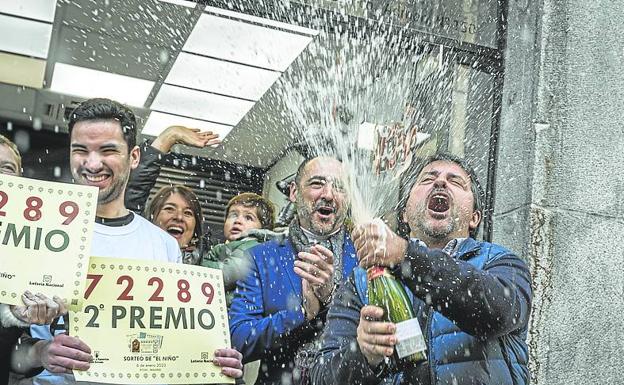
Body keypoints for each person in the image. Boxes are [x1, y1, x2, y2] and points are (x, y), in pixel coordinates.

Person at [9, 98, 243, 384]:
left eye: (108, 151)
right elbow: (10, 347)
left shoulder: (163, 245)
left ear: (133, 157)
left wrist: (211, 359)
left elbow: (173, 340)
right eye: (80, 150)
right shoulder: (37, 231)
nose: (92, 163)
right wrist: (41, 352)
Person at [309, 153, 532, 385]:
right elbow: (323, 377)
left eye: (455, 182)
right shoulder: (360, 280)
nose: (440, 182)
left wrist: (405, 256)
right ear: (405, 213)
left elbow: (499, 312)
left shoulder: (501, 263)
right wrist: (364, 354)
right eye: (427, 179)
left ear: (475, 217)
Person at [229, 156, 359, 385]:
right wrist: (302, 314)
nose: (328, 194)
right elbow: (238, 338)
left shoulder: (364, 256)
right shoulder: (261, 257)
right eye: (317, 183)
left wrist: (331, 299)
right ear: (294, 192)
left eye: (339, 187)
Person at [0, 134, 69, 383]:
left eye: (7, 168)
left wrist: (41, 352)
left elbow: (13, 358)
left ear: (20, 178)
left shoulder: (38, 252)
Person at [201, 192, 276, 301]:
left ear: (263, 229)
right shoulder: (230, 246)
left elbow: (224, 274)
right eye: (233, 215)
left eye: (248, 218)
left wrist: (199, 263)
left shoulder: (253, 247)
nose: (238, 221)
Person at [145, 185, 208, 265]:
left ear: (196, 228)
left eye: (187, 213)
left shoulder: (210, 267)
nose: (179, 217)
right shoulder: (134, 253)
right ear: (152, 216)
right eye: (169, 209)